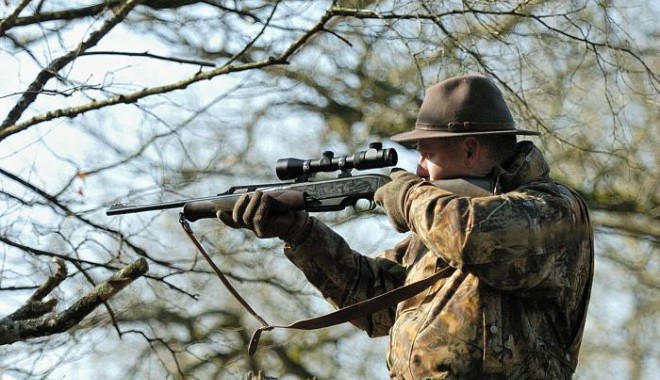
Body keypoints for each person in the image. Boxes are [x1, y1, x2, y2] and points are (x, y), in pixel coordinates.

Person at [219, 74, 594, 379]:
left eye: (427, 155)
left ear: (469, 150)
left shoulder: (554, 208)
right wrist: (300, 234)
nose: (419, 170)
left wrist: (407, 196)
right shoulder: (434, 232)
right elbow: (372, 301)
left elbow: (475, 237)